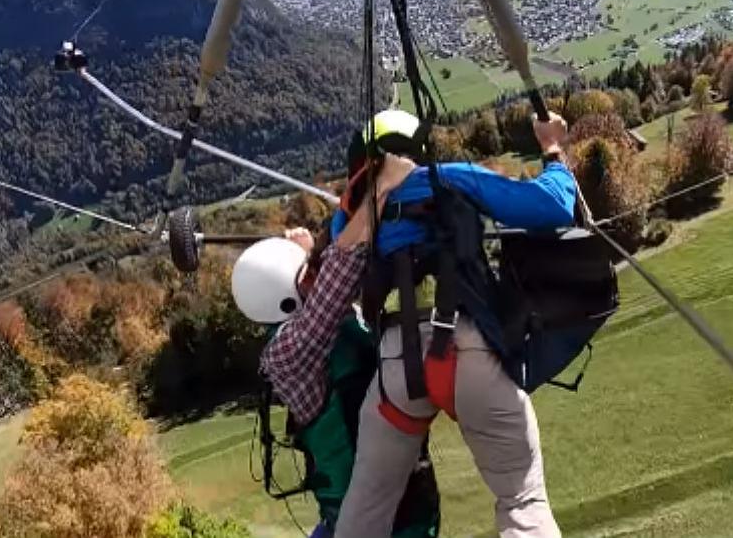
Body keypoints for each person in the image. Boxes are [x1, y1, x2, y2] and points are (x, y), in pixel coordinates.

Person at [327, 109, 576, 538]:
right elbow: (553, 206)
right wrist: (553, 151)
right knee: (522, 500)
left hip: (397, 372)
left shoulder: (349, 220)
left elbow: (335, 261)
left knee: (364, 513)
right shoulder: (450, 178)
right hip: (469, 351)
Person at [232, 185, 441, 538]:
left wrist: (303, 255)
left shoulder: (328, 325)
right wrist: (380, 193)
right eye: (305, 278)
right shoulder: (288, 353)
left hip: (394, 504)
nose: (315, 279)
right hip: (378, 522)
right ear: (285, 301)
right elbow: (343, 271)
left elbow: (334, 291)